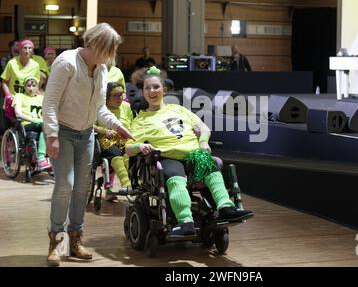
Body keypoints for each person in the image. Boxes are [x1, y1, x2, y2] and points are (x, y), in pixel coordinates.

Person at [42, 23, 134, 266]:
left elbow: (100, 108)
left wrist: (117, 126)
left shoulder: (102, 69)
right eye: (109, 49)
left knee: (82, 188)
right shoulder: (67, 62)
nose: (111, 54)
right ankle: (56, 242)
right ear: (95, 44)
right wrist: (51, 135)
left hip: (86, 135)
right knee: (65, 185)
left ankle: (75, 240)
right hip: (62, 132)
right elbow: (49, 103)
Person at [125, 68, 253, 239]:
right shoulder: (140, 119)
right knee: (173, 174)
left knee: (208, 163)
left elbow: (203, 128)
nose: (152, 91)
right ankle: (185, 221)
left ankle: (225, 208)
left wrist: (203, 142)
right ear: (143, 92)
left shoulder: (178, 109)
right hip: (168, 156)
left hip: (193, 153)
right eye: (148, 88)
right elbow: (128, 148)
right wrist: (140, 146)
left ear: (164, 89)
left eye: (156, 87)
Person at [94, 82, 133, 201]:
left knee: (134, 151)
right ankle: (127, 184)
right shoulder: (100, 108)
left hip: (125, 140)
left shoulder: (126, 106)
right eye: (115, 95)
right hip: (106, 140)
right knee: (115, 154)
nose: (119, 98)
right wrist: (104, 130)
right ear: (107, 96)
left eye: (121, 94)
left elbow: (132, 124)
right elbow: (90, 125)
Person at [13, 76, 51, 170]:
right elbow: (18, 113)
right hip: (26, 125)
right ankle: (41, 158)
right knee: (44, 125)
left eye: (33, 85)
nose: (31, 88)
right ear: (24, 87)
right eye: (28, 85)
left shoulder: (42, 98)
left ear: (37, 87)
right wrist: (34, 120)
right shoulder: (19, 96)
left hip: (42, 125)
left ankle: (52, 160)